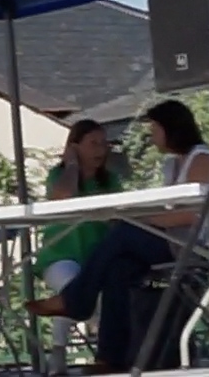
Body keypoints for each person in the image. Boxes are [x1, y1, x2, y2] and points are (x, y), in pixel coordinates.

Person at [25, 100, 209, 374]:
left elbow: (190, 215)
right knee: (118, 268)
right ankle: (111, 357)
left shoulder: (201, 160)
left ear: (170, 129)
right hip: (175, 243)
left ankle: (75, 301)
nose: (152, 137)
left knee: (123, 234)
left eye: (154, 130)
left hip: (197, 248)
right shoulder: (173, 165)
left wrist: (139, 220)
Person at [35, 120, 126, 373]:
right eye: (93, 144)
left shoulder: (110, 181)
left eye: (104, 144)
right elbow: (62, 198)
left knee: (100, 291)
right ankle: (59, 350)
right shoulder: (59, 176)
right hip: (59, 255)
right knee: (73, 287)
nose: (100, 150)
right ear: (75, 147)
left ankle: (106, 353)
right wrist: (72, 165)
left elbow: (119, 217)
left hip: (97, 259)